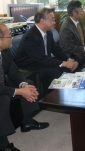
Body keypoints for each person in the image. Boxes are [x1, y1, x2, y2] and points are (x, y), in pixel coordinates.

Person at [0, 23, 49, 151]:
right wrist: (19, 91)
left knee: (29, 84)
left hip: (2, 85)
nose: (12, 38)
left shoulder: (5, 52)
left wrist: (24, 85)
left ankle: (27, 122)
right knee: (4, 99)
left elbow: (14, 72)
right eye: (9, 36)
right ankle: (3, 145)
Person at [15, 8, 79, 91]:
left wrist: (69, 60)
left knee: (67, 67)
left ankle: (67, 94)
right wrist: (65, 63)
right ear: (42, 21)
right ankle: (50, 99)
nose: (55, 23)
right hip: (29, 67)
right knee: (56, 70)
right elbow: (40, 58)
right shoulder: (30, 37)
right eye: (52, 20)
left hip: (42, 62)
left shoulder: (48, 33)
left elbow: (56, 49)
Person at [59, 0, 85, 66]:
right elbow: (68, 47)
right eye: (81, 10)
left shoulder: (79, 21)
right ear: (74, 13)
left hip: (83, 49)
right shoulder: (66, 27)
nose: (83, 12)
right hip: (75, 54)